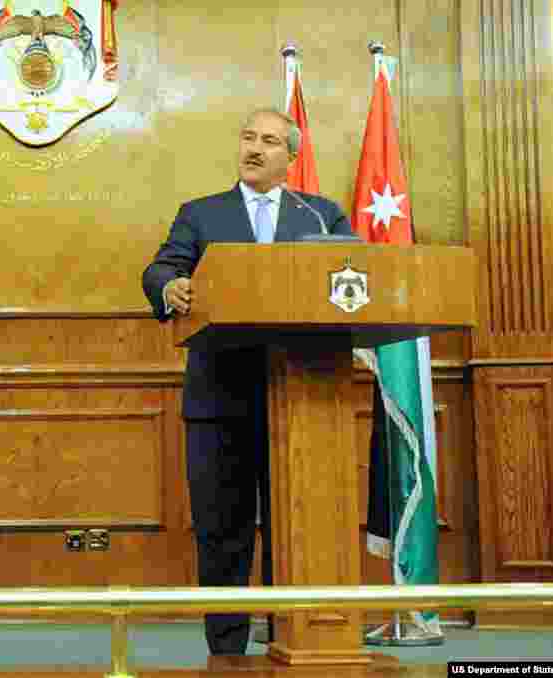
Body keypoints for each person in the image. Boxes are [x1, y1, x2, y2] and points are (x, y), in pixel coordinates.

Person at [142, 108, 353, 655]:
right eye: (248, 138)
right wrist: (170, 288)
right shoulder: (202, 214)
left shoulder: (322, 216)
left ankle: (296, 638)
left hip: (304, 398)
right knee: (223, 533)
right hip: (220, 398)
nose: (255, 149)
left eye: (270, 141)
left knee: (297, 526)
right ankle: (227, 651)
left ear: (292, 156)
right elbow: (161, 268)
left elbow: (356, 276)